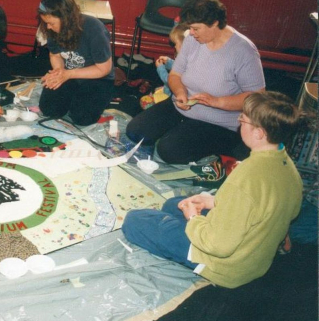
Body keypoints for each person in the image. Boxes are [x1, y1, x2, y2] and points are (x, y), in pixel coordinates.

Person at [123, 91, 309, 289]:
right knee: (172, 205)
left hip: (225, 265)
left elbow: (217, 245)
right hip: (254, 252)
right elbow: (272, 208)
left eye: (242, 120)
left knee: (134, 221)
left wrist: (194, 218)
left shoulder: (247, 177)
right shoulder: (287, 165)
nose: (239, 123)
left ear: (259, 133)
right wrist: (212, 202)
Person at [126, 0, 265, 164]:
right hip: (182, 107)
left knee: (168, 151)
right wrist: (180, 92)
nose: (190, 33)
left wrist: (217, 101)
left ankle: (223, 148)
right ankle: (182, 132)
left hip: (218, 121)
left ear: (214, 24)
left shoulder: (244, 51)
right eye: (190, 28)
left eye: (196, 28)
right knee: (135, 131)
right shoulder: (192, 39)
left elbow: (256, 98)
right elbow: (175, 75)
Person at [37, 0, 115, 126]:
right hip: (70, 75)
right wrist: (58, 71)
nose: (48, 27)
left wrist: (68, 74)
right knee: (49, 109)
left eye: (51, 23)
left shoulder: (94, 29)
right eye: (46, 23)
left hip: (98, 78)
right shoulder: (51, 28)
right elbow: (55, 55)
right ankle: (75, 97)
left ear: (66, 19)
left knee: (82, 117)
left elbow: (104, 69)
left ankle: (93, 99)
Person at [155, 22, 189, 97]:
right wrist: (168, 62)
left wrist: (160, 68)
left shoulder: (188, 63)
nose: (175, 46)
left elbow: (170, 81)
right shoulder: (186, 58)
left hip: (173, 95)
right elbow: (178, 67)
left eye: (176, 43)